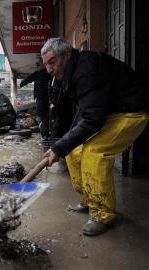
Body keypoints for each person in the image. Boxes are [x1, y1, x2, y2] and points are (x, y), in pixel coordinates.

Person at [41, 37, 149, 236]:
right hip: (112, 113)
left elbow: (93, 118)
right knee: (73, 152)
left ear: (66, 55)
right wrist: (63, 145)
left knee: (94, 152)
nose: (49, 69)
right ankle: (90, 199)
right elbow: (86, 111)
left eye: (52, 62)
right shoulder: (73, 71)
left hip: (132, 112)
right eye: (46, 64)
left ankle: (103, 213)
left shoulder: (86, 71)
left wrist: (58, 147)